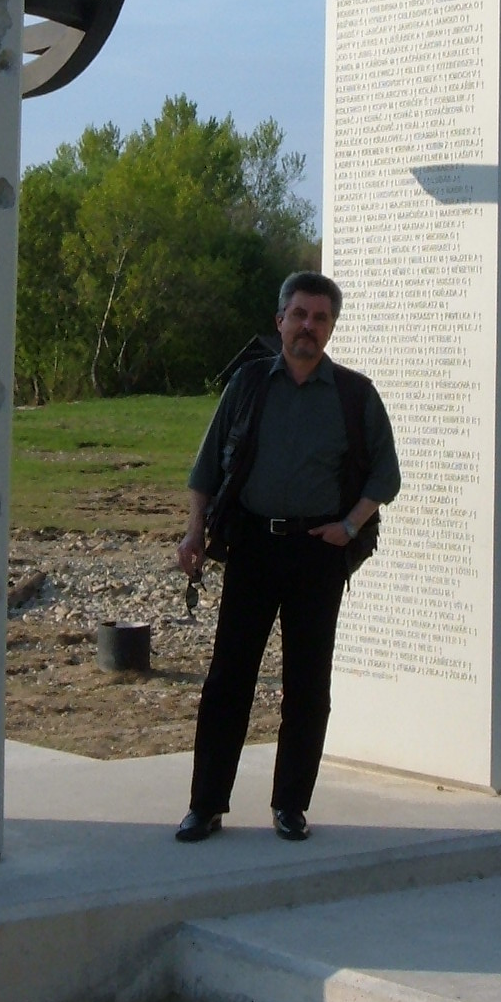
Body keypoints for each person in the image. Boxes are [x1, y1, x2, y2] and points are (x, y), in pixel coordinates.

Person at [175, 271, 399, 844]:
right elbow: (205, 471)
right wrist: (194, 533)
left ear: (331, 327)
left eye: (320, 318)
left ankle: (291, 805)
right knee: (229, 680)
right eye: (299, 315)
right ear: (279, 320)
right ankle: (206, 806)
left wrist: (349, 527)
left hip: (317, 556)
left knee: (308, 685)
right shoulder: (248, 385)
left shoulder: (355, 394)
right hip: (250, 547)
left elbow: (385, 476)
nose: (309, 327)